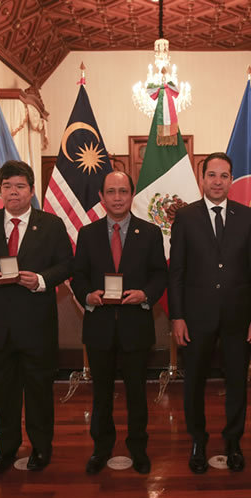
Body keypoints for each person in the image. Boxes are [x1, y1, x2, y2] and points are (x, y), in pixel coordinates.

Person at [0, 160, 72, 473]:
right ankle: (6, 448)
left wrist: (38, 279)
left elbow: (66, 264)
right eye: (7, 186)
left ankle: (40, 447)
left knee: (38, 390)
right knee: (2, 390)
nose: (13, 192)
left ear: (31, 190)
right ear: (0, 190)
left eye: (20, 186)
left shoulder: (51, 225)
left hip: (36, 324)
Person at [168, 152, 251, 473]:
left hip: (239, 319)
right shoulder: (185, 217)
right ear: (202, 179)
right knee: (194, 382)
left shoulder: (247, 217)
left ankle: (233, 441)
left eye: (224, 176)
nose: (218, 182)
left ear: (231, 180)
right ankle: (198, 440)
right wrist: (177, 316)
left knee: (237, 382)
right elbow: (177, 272)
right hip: (195, 320)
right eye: (212, 175)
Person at [71, 171, 167, 475]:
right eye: (111, 191)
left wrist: (145, 294)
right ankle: (101, 449)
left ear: (131, 195)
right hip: (99, 327)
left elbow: (159, 275)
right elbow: (79, 276)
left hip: (135, 327)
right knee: (101, 394)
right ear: (101, 197)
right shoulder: (87, 234)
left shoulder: (150, 233)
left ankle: (138, 448)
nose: (117, 197)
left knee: (137, 393)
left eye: (123, 191)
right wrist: (88, 295)